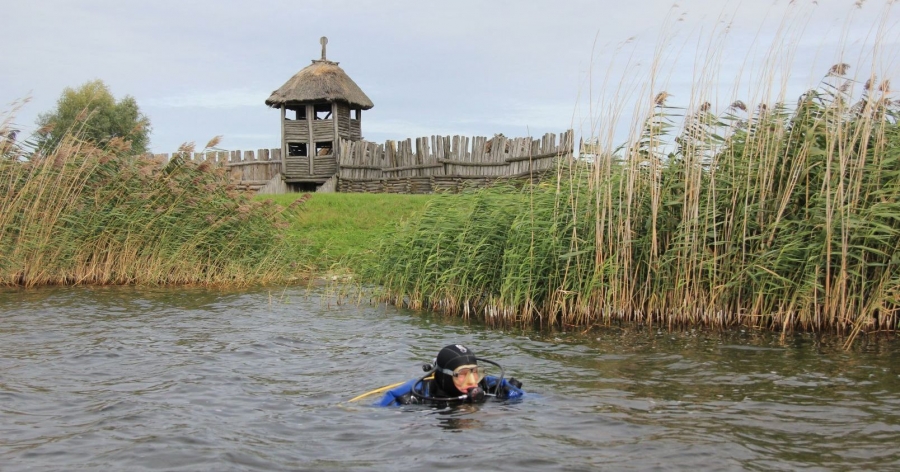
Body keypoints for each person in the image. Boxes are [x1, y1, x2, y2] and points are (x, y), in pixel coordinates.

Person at [372, 344, 524, 406]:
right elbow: (376, 411)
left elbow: (533, 400)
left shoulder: (490, 385)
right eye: (463, 374)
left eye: (475, 372)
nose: (473, 382)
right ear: (445, 376)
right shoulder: (418, 392)